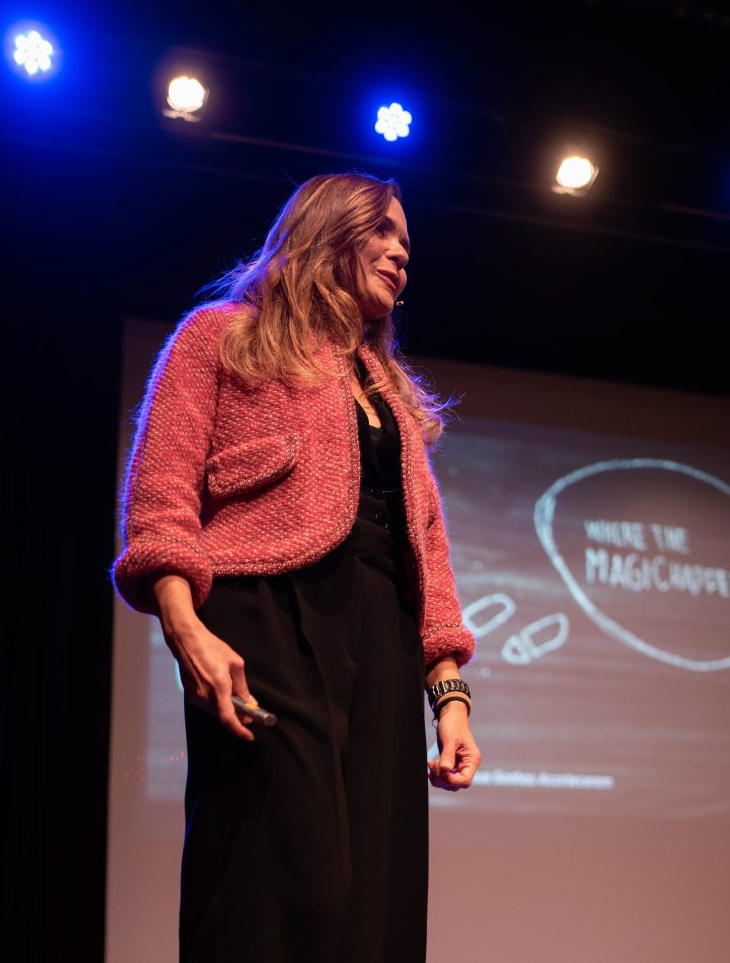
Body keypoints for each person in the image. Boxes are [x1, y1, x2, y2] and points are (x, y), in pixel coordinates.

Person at [112, 171, 480, 962]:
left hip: (382, 641)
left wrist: (448, 696)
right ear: (330, 231)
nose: (400, 256)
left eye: (408, 248)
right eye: (384, 234)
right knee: (285, 879)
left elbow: (430, 551)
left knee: (375, 902)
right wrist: (186, 630)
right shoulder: (220, 335)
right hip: (263, 620)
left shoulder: (388, 392)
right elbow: (162, 497)